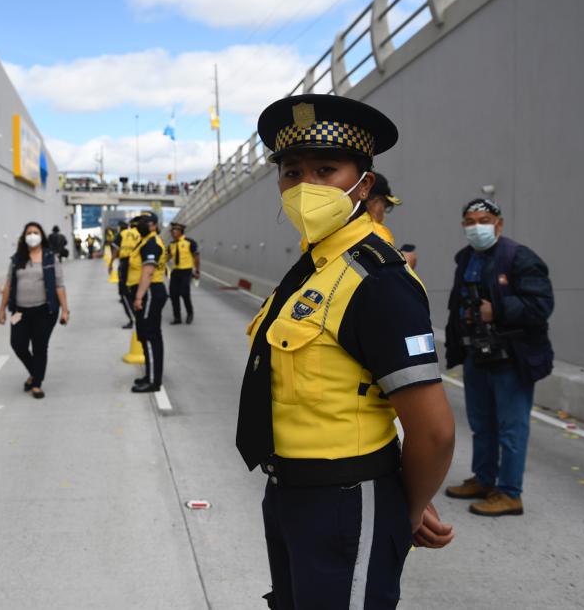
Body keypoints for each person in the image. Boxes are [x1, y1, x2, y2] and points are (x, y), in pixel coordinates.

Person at [237, 94, 456, 609]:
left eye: (326, 169)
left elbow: (434, 429)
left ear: (364, 182)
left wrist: (404, 506)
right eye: (292, 172)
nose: (305, 187)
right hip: (290, 495)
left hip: (346, 501)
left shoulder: (377, 280)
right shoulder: (313, 269)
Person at [443, 198, 554, 516]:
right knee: (481, 424)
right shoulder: (465, 258)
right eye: (470, 221)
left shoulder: (519, 257)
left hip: (511, 358)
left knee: (511, 428)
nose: (477, 226)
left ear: (499, 224)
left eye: (484, 219)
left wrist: (498, 310)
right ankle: (484, 479)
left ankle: (509, 493)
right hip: (477, 355)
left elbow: (541, 305)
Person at [0, 222, 70, 400]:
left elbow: (59, 286)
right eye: (29, 233)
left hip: (45, 311)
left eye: (35, 232)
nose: (32, 235)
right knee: (18, 344)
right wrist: (1, 310)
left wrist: (65, 310)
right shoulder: (17, 259)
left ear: (42, 236)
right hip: (19, 311)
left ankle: (36, 384)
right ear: (24, 237)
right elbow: (8, 284)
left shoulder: (50, 258)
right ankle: (35, 372)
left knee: (39, 347)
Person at [127, 212, 168, 392]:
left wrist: (139, 297)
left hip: (149, 292)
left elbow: (148, 272)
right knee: (145, 336)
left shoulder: (152, 243)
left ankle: (153, 381)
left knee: (150, 336)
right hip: (147, 292)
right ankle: (150, 374)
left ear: (153, 225)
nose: (140, 224)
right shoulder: (145, 241)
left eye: (144, 222)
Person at [365, 172, 417, 269]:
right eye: (385, 206)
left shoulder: (343, 224)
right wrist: (406, 265)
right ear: (376, 202)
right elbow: (385, 280)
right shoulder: (377, 233)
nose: (384, 212)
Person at [167, 222, 200, 324]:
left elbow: (196, 257)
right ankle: (177, 317)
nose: (172, 233)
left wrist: (197, 271)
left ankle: (190, 313)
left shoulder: (190, 242)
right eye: (172, 231)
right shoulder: (171, 245)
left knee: (184, 293)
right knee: (173, 294)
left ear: (181, 231)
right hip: (175, 271)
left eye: (175, 230)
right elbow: (167, 257)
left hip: (186, 271)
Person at [109, 221, 137, 329]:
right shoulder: (142, 234)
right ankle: (141, 316)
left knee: (124, 292)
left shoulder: (123, 234)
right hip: (138, 265)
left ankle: (132, 318)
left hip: (125, 263)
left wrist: (111, 263)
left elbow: (115, 248)